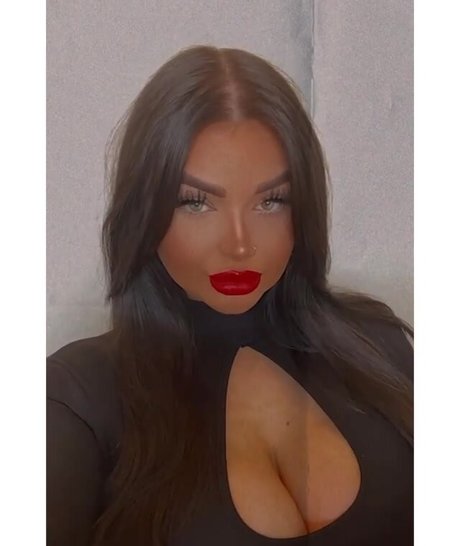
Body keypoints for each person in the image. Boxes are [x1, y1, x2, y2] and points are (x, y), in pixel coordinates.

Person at [47, 45, 413, 546]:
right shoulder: (77, 399)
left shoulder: (377, 345)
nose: (239, 244)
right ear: (144, 210)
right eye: (195, 203)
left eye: (271, 201)